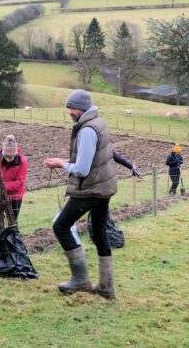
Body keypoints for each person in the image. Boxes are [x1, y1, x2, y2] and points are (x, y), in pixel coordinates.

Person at [44, 89, 118, 299]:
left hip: (91, 189)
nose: (69, 112)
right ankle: (106, 287)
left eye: (71, 108)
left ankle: (80, 279)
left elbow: (83, 169)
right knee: (100, 232)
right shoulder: (98, 122)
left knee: (60, 225)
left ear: (81, 108)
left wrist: (60, 163)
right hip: (104, 186)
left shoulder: (87, 130)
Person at [0, 135, 28, 228]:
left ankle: (11, 241)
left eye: (11, 157)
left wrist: (2, 186)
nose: (8, 159)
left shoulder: (22, 161)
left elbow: (19, 182)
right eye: (6, 157)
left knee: (12, 222)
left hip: (14, 196)